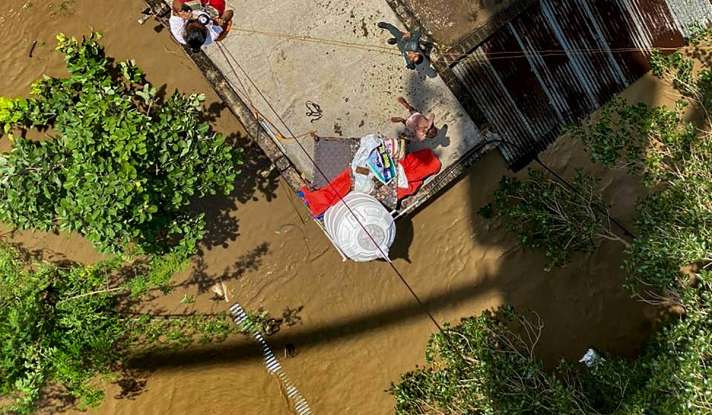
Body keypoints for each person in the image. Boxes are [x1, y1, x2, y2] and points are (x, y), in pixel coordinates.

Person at [169, 0, 234, 52]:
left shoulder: (177, 29)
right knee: (218, 2)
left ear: (185, 29)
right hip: (211, 12)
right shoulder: (211, 36)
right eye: (202, 24)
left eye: (193, 21)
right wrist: (222, 20)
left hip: (192, 7)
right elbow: (230, 12)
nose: (198, 19)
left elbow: (175, 2)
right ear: (206, 31)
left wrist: (180, 12)